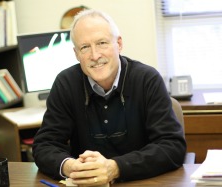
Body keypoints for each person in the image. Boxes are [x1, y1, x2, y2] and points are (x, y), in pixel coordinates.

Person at [32, 9, 186, 186]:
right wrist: (72, 167)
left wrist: (114, 167)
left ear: (119, 44)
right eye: (85, 47)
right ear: (76, 54)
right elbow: (44, 146)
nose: (95, 55)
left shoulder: (147, 80)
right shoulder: (65, 84)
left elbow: (173, 146)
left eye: (102, 43)